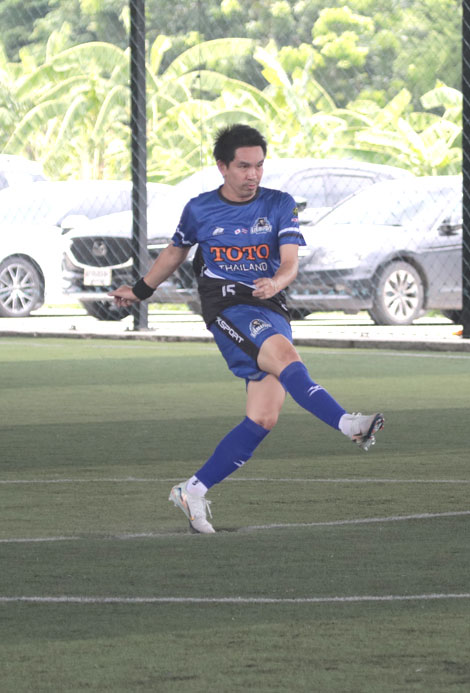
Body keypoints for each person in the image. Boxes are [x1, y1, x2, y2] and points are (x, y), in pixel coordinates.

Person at [108, 124, 385, 534]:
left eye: (258, 166)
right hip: (226, 306)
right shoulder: (200, 209)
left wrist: (276, 282)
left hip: (269, 304)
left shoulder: (279, 204)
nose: (252, 175)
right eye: (243, 166)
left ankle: (192, 490)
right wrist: (140, 290)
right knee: (286, 358)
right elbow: (174, 252)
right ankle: (348, 424)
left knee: (263, 417)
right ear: (222, 166)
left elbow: (289, 261)